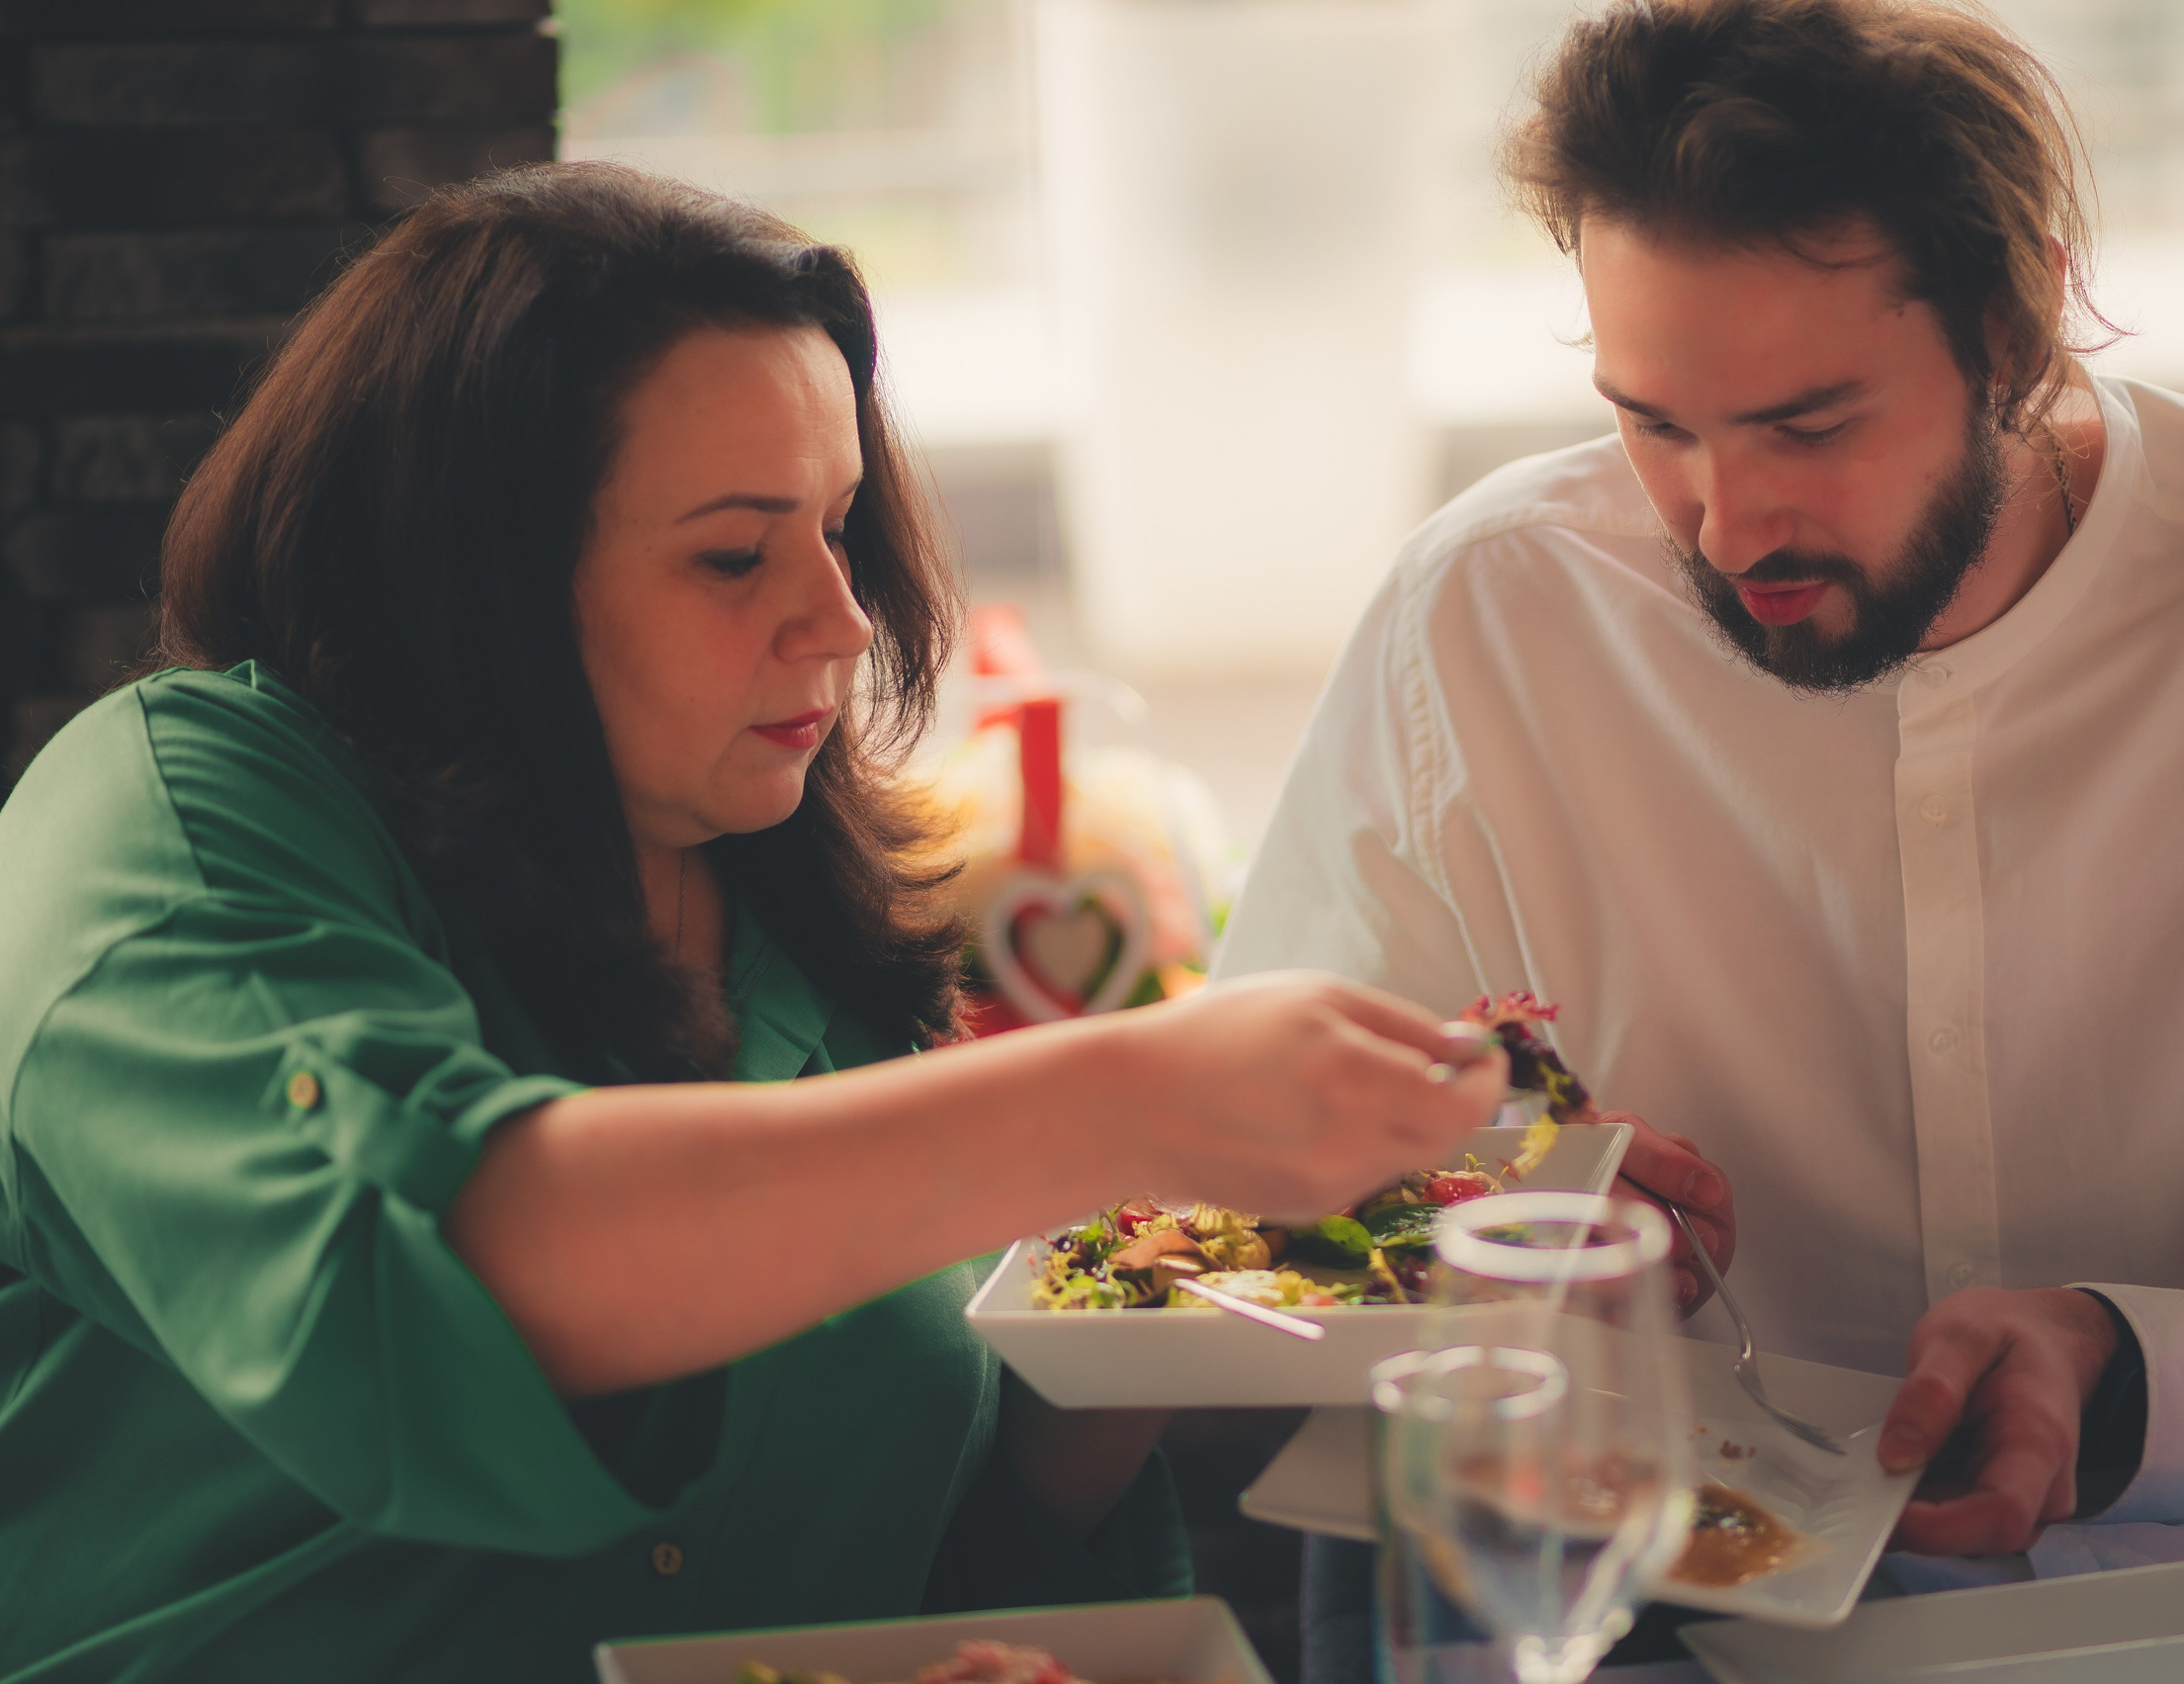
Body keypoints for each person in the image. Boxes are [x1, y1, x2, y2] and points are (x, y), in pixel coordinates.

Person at [0, 164, 1506, 1680]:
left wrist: (1246, 1244)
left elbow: (923, 1525)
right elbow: (433, 1275)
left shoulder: (800, 921)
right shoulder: (182, 815)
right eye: (735, 554)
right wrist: (1135, 1096)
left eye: (841, 528)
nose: (846, 621)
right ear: (468, 577)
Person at [1219, 0, 2184, 1582]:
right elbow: (1239, 1210)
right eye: (1655, 427)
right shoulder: (1482, 623)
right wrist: (1464, 1212)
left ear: (2020, 324)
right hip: (1653, 1616)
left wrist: (2133, 1379)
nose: (1725, 524)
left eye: (1808, 424)